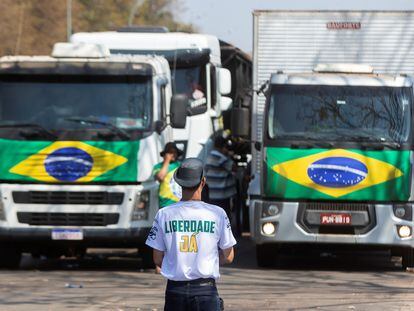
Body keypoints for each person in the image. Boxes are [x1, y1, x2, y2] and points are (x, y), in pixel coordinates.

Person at [146, 158, 236, 311]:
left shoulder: (164, 214)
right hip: (206, 291)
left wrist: (177, 262)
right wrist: (207, 261)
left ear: (179, 184)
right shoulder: (217, 214)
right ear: (203, 182)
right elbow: (228, 256)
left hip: (175, 291)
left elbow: (157, 258)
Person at [205, 136, 237, 220]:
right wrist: (229, 155)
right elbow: (234, 167)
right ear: (223, 147)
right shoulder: (221, 158)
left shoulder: (210, 156)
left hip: (212, 194)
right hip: (222, 195)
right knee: (224, 217)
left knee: (214, 216)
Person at [153, 142, 183, 208]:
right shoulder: (158, 167)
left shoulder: (181, 165)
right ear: (165, 154)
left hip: (180, 203)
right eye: (170, 152)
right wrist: (167, 161)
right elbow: (160, 177)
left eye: (175, 152)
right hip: (165, 203)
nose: (173, 154)